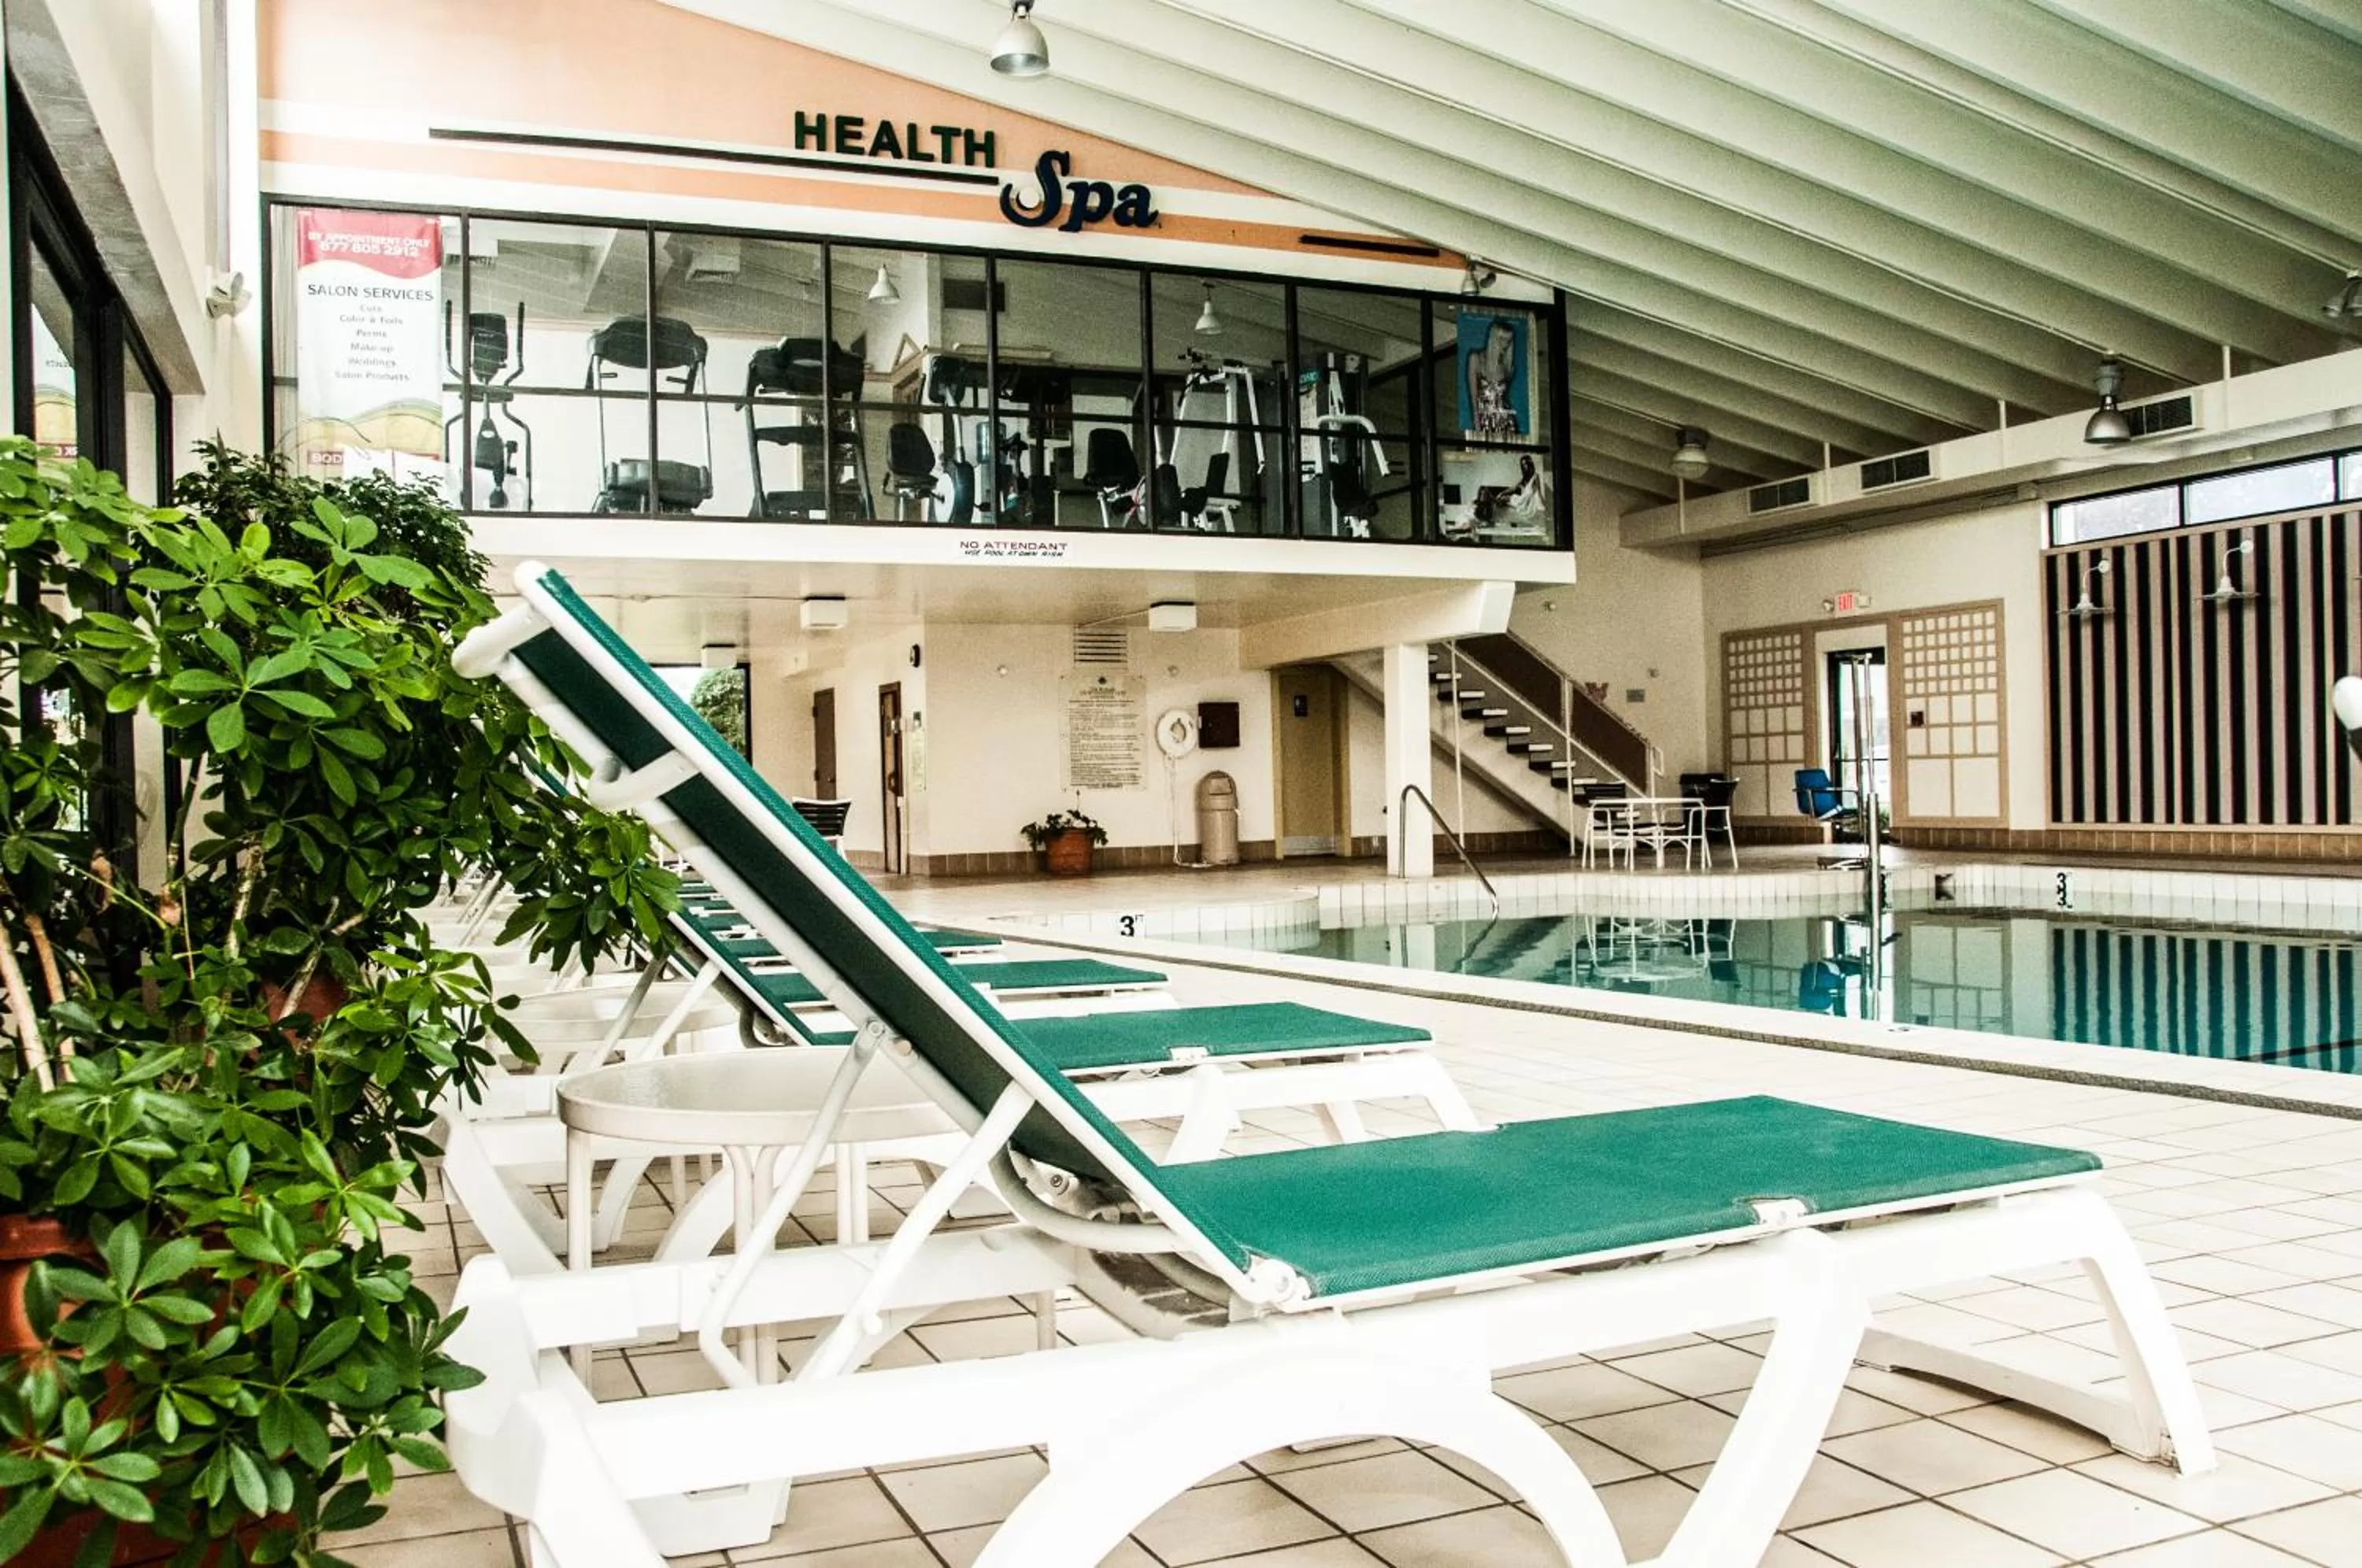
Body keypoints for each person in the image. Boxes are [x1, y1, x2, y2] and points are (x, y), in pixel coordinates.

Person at [1466, 316, 1522, 438]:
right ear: (1494, 339)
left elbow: (1504, 398)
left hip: (1505, 421)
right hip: (1484, 419)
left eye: (1509, 341)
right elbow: (1473, 397)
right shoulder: (1476, 359)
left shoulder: (1508, 367)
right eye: (1502, 339)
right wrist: (1476, 423)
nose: (1505, 344)